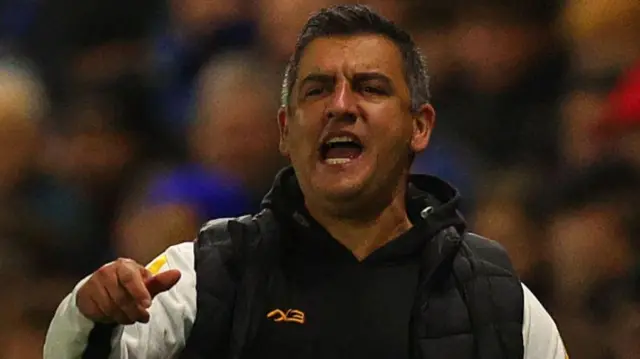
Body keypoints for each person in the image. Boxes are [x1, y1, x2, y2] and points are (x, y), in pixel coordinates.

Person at [43, 5, 567, 359]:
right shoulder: (201, 277)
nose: (341, 106)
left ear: (420, 125)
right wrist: (87, 314)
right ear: (285, 129)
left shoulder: (498, 300)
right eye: (317, 91)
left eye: (370, 87)